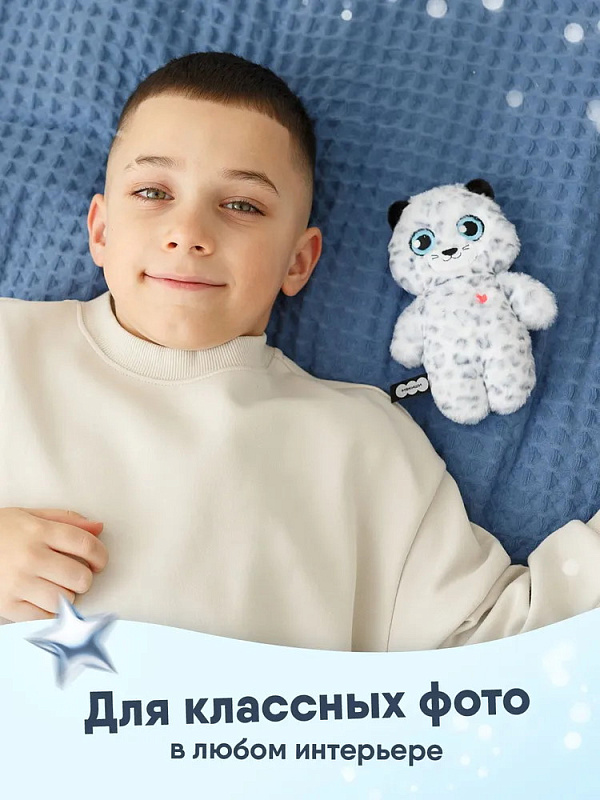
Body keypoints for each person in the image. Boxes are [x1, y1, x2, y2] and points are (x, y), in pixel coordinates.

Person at [0, 51, 598, 652]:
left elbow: (497, 655)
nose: (189, 233)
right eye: (153, 191)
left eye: (242, 205)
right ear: (101, 230)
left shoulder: (362, 444)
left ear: (298, 260)